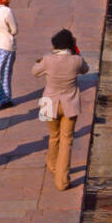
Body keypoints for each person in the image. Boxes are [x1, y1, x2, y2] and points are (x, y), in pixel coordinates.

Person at [32, 29, 89, 191]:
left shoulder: (48, 60)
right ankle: (62, 180)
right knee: (67, 140)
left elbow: (34, 72)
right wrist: (76, 50)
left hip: (49, 102)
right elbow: (85, 69)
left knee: (53, 136)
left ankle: (52, 165)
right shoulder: (76, 60)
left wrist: (43, 60)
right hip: (69, 104)